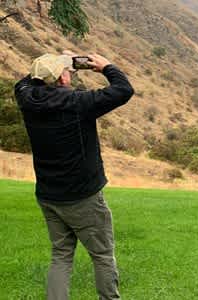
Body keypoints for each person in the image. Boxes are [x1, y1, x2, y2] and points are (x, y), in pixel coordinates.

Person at [14, 52, 134, 300]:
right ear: (62, 79)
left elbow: (24, 82)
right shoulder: (79, 104)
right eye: (66, 70)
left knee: (61, 255)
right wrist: (106, 67)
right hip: (83, 196)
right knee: (101, 254)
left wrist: (48, 66)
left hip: (48, 195)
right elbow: (123, 90)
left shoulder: (26, 98)